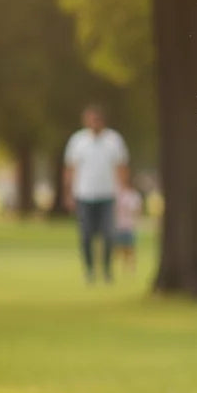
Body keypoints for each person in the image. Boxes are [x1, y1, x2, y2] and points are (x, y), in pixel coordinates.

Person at [62, 105, 129, 283]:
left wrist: (123, 191)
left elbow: (121, 167)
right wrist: (68, 193)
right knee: (86, 235)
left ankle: (106, 269)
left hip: (108, 194)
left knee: (108, 234)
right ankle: (90, 270)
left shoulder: (114, 140)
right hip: (84, 194)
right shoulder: (78, 141)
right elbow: (70, 169)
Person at [113, 178, 143, 275]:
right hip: (117, 226)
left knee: (129, 249)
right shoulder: (116, 193)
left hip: (129, 225)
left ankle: (130, 269)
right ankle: (116, 269)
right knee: (117, 249)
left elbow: (138, 210)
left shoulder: (133, 195)